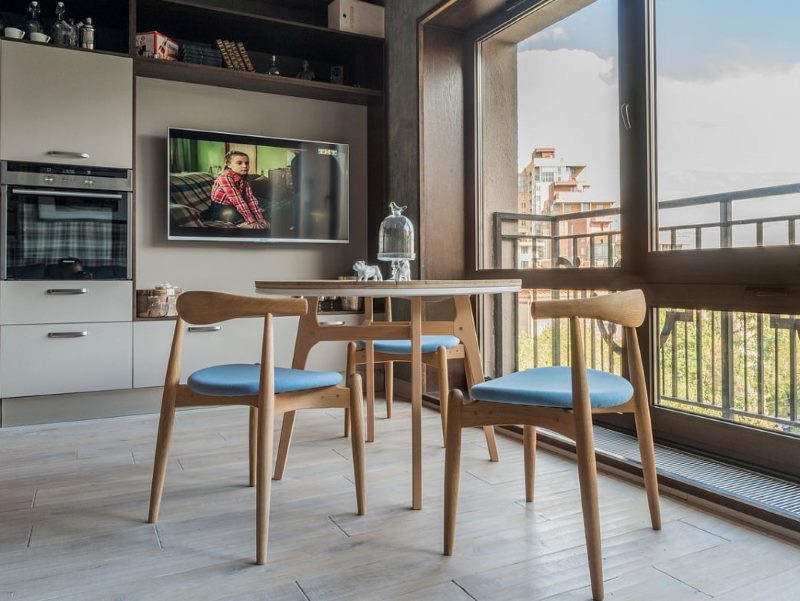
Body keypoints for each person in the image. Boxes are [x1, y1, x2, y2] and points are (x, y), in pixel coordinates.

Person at [207, 150, 269, 229]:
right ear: (229, 165)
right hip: (221, 207)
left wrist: (259, 217)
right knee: (247, 221)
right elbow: (238, 200)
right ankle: (240, 224)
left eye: (246, 163)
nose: (244, 166)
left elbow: (250, 198)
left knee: (260, 215)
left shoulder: (244, 177)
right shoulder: (225, 177)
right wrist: (251, 220)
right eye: (239, 163)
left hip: (233, 205)